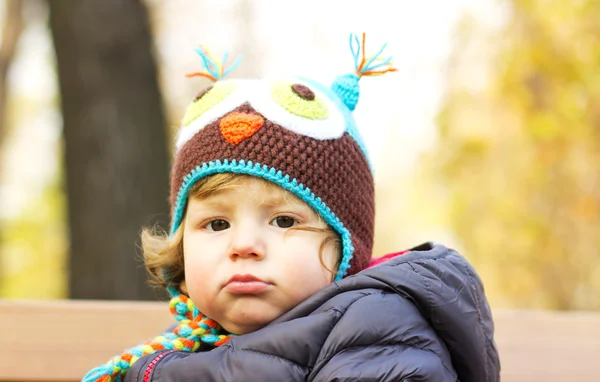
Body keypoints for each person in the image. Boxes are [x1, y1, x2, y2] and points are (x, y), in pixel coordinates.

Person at [84, 33, 500, 382]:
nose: (244, 245)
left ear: (345, 246)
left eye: (284, 220)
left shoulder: (377, 327)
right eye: (215, 224)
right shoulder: (186, 343)